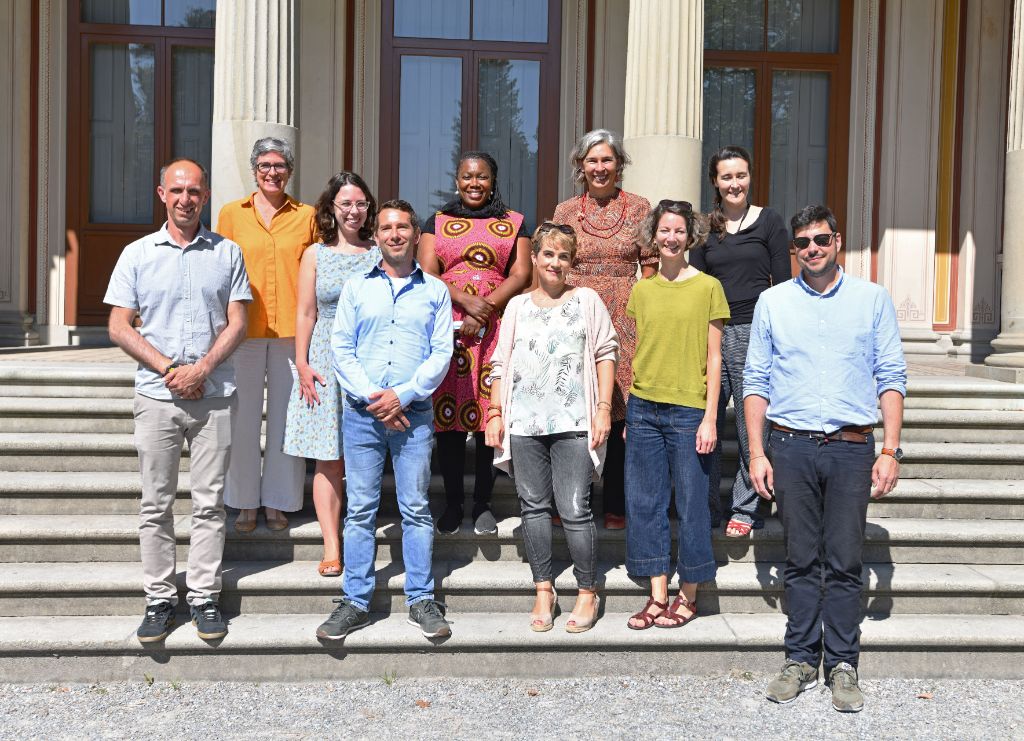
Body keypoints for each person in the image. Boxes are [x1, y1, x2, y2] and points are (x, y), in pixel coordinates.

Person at [744, 205, 906, 713]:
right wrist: (756, 452)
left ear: (838, 241)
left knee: (843, 560)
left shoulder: (872, 299)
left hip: (851, 447)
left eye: (821, 239)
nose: (812, 249)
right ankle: (798, 659)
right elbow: (756, 382)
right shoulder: (773, 302)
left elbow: (891, 375)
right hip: (789, 446)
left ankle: (841, 663)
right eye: (803, 243)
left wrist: (890, 450)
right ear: (794, 249)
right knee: (799, 558)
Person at [104, 158, 251, 643]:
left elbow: (238, 322)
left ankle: (205, 596)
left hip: (214, 394)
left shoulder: (228, 253)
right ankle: (160, 598)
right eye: (177, 190)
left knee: (210, 503)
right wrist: (170, 369)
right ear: (161, 193)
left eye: (195, 191)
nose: (186, 199)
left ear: (205, 197)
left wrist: (203, 368)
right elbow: (119, 326)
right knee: (156, 504)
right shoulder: (137, 254)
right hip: (157, 396)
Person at [316, 200, 454, 641]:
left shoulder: (435, 290)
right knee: (359, 510)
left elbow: (441, 353)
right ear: (375, 236)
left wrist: (403, 395)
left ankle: (421, 598)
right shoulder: (357, 287)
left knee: (415, 508)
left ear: (416, 235)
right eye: (385, 228)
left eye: (402, 227)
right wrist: (376, 399)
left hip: (412, 416)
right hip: (363, 415)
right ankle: (354, 601)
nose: (394, 234)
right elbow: (342, 349)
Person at [485, 223, 618, 633]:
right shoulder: (517, 307)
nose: (555, 262)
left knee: (575, 509)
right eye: (548, 254)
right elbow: (500, 363)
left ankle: (586, 591)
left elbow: (605, 353)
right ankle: (543, 588)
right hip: (524, 422)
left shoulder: (587, 300)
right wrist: (494, 412)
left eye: (563, 256)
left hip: (574, 421)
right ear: (536, 258)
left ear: (571, 261)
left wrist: (603, 408)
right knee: (534, 509)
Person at [624, 200, 729, 631]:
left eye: (679, 232)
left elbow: (715, 358)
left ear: (691, 237)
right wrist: (631, 412)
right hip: (643, 408)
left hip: (689, 410)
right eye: (664, 231)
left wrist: (710, 418)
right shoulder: (642, 289)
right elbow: (638, 350)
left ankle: (689, 594)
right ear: (654, 235)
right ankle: (656, 594)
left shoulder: (708, 287)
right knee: (645, 503)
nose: (671, 238)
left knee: (691, 504)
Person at [418, 151, 533, 537]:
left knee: (489, 415)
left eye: (481, 176)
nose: (474, 183)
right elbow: (427, 273)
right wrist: (464, 301)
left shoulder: (514, 222)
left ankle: (483, 503)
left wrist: (483, 309)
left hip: (495, 327)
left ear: (492, 179)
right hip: (447, 326)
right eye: (467, 176)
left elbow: (520, 274)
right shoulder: (436, 222)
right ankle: (452, 503)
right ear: (457, 179)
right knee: (447, 419)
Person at [552, 129, 658, 530]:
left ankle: (615, 502)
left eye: (607, 160)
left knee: (617, 410)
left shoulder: (640, 207)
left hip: (626, 315)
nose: (599, 168)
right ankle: (571, 499)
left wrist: (642, 318)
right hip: (577, 312)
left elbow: (648, 268)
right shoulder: (564, 212)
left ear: (619, 164)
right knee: (576, 407)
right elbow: (557, 264)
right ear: (581, 166)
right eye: (592, 160)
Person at [689, 145, 792, 536]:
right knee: (708, 422)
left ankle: (746, 508)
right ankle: (707, 506)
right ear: (715, 182)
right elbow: (697, 287)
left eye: (741, 175)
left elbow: (782, 286)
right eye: (727, 176)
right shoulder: (704, 229)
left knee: (755, 427)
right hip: (713, 331)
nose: (735, 183)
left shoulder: (769, 222)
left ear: (750, 177)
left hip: (756, 333)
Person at [283, 172, 381, 577]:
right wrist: (302, 364)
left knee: (365, 457)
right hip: (324, 358)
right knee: (329, 458)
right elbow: (306, 312)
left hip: (369, 358)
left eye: (360, 203)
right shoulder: (315, 255)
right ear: (332, 209)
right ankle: (331, 544)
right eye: (346, 204)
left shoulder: (379, 252)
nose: (354, 211)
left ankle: (362, 534)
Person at [217, 137, 316, 533]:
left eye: (279, 165)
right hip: (243, 331)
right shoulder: (230, 214)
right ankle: (243, 501)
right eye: (264, 165)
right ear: (254, 170)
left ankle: (278, 501)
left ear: (289, 171)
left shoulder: (306, 215)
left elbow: (315, 272)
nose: (271, 172)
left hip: (294, 332)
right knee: (240, 419)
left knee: (286, 419)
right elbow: (222, 271)